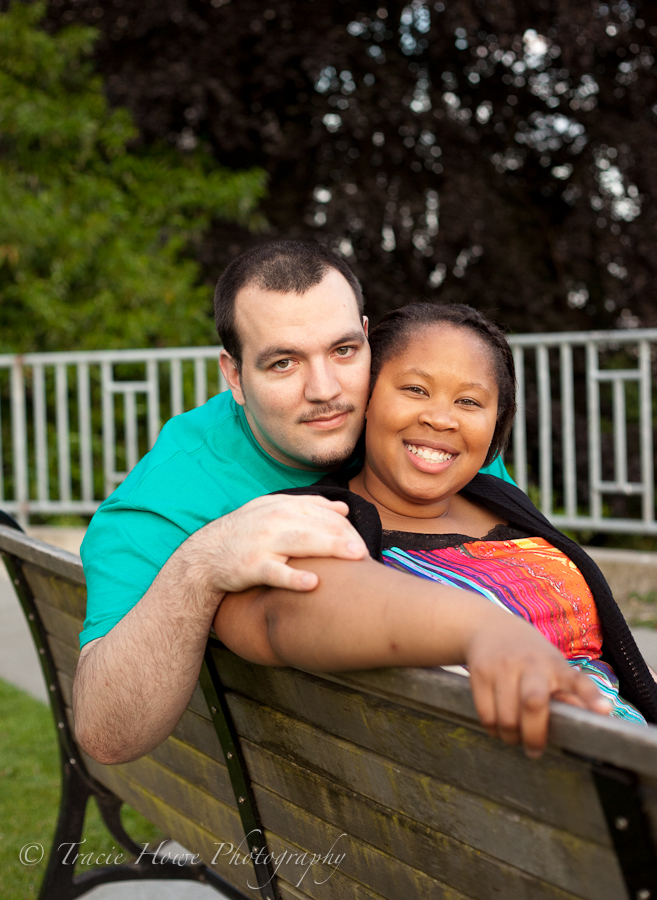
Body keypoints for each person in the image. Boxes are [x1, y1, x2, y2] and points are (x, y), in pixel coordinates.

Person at [73, 242, 610, 767]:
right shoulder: (165, 502)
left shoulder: (415, 428)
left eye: (343, 350)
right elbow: (107, 735)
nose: (326, 389)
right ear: (234, 374)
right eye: (284, 362)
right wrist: (202, 563)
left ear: (368, 339)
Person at [213, 303, 657, 734]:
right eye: (415, 390)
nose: (441, 419)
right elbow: (288, 610)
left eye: (469, 401)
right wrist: (482, 627)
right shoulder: (321, 519)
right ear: (365, 397)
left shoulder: (501, 502)